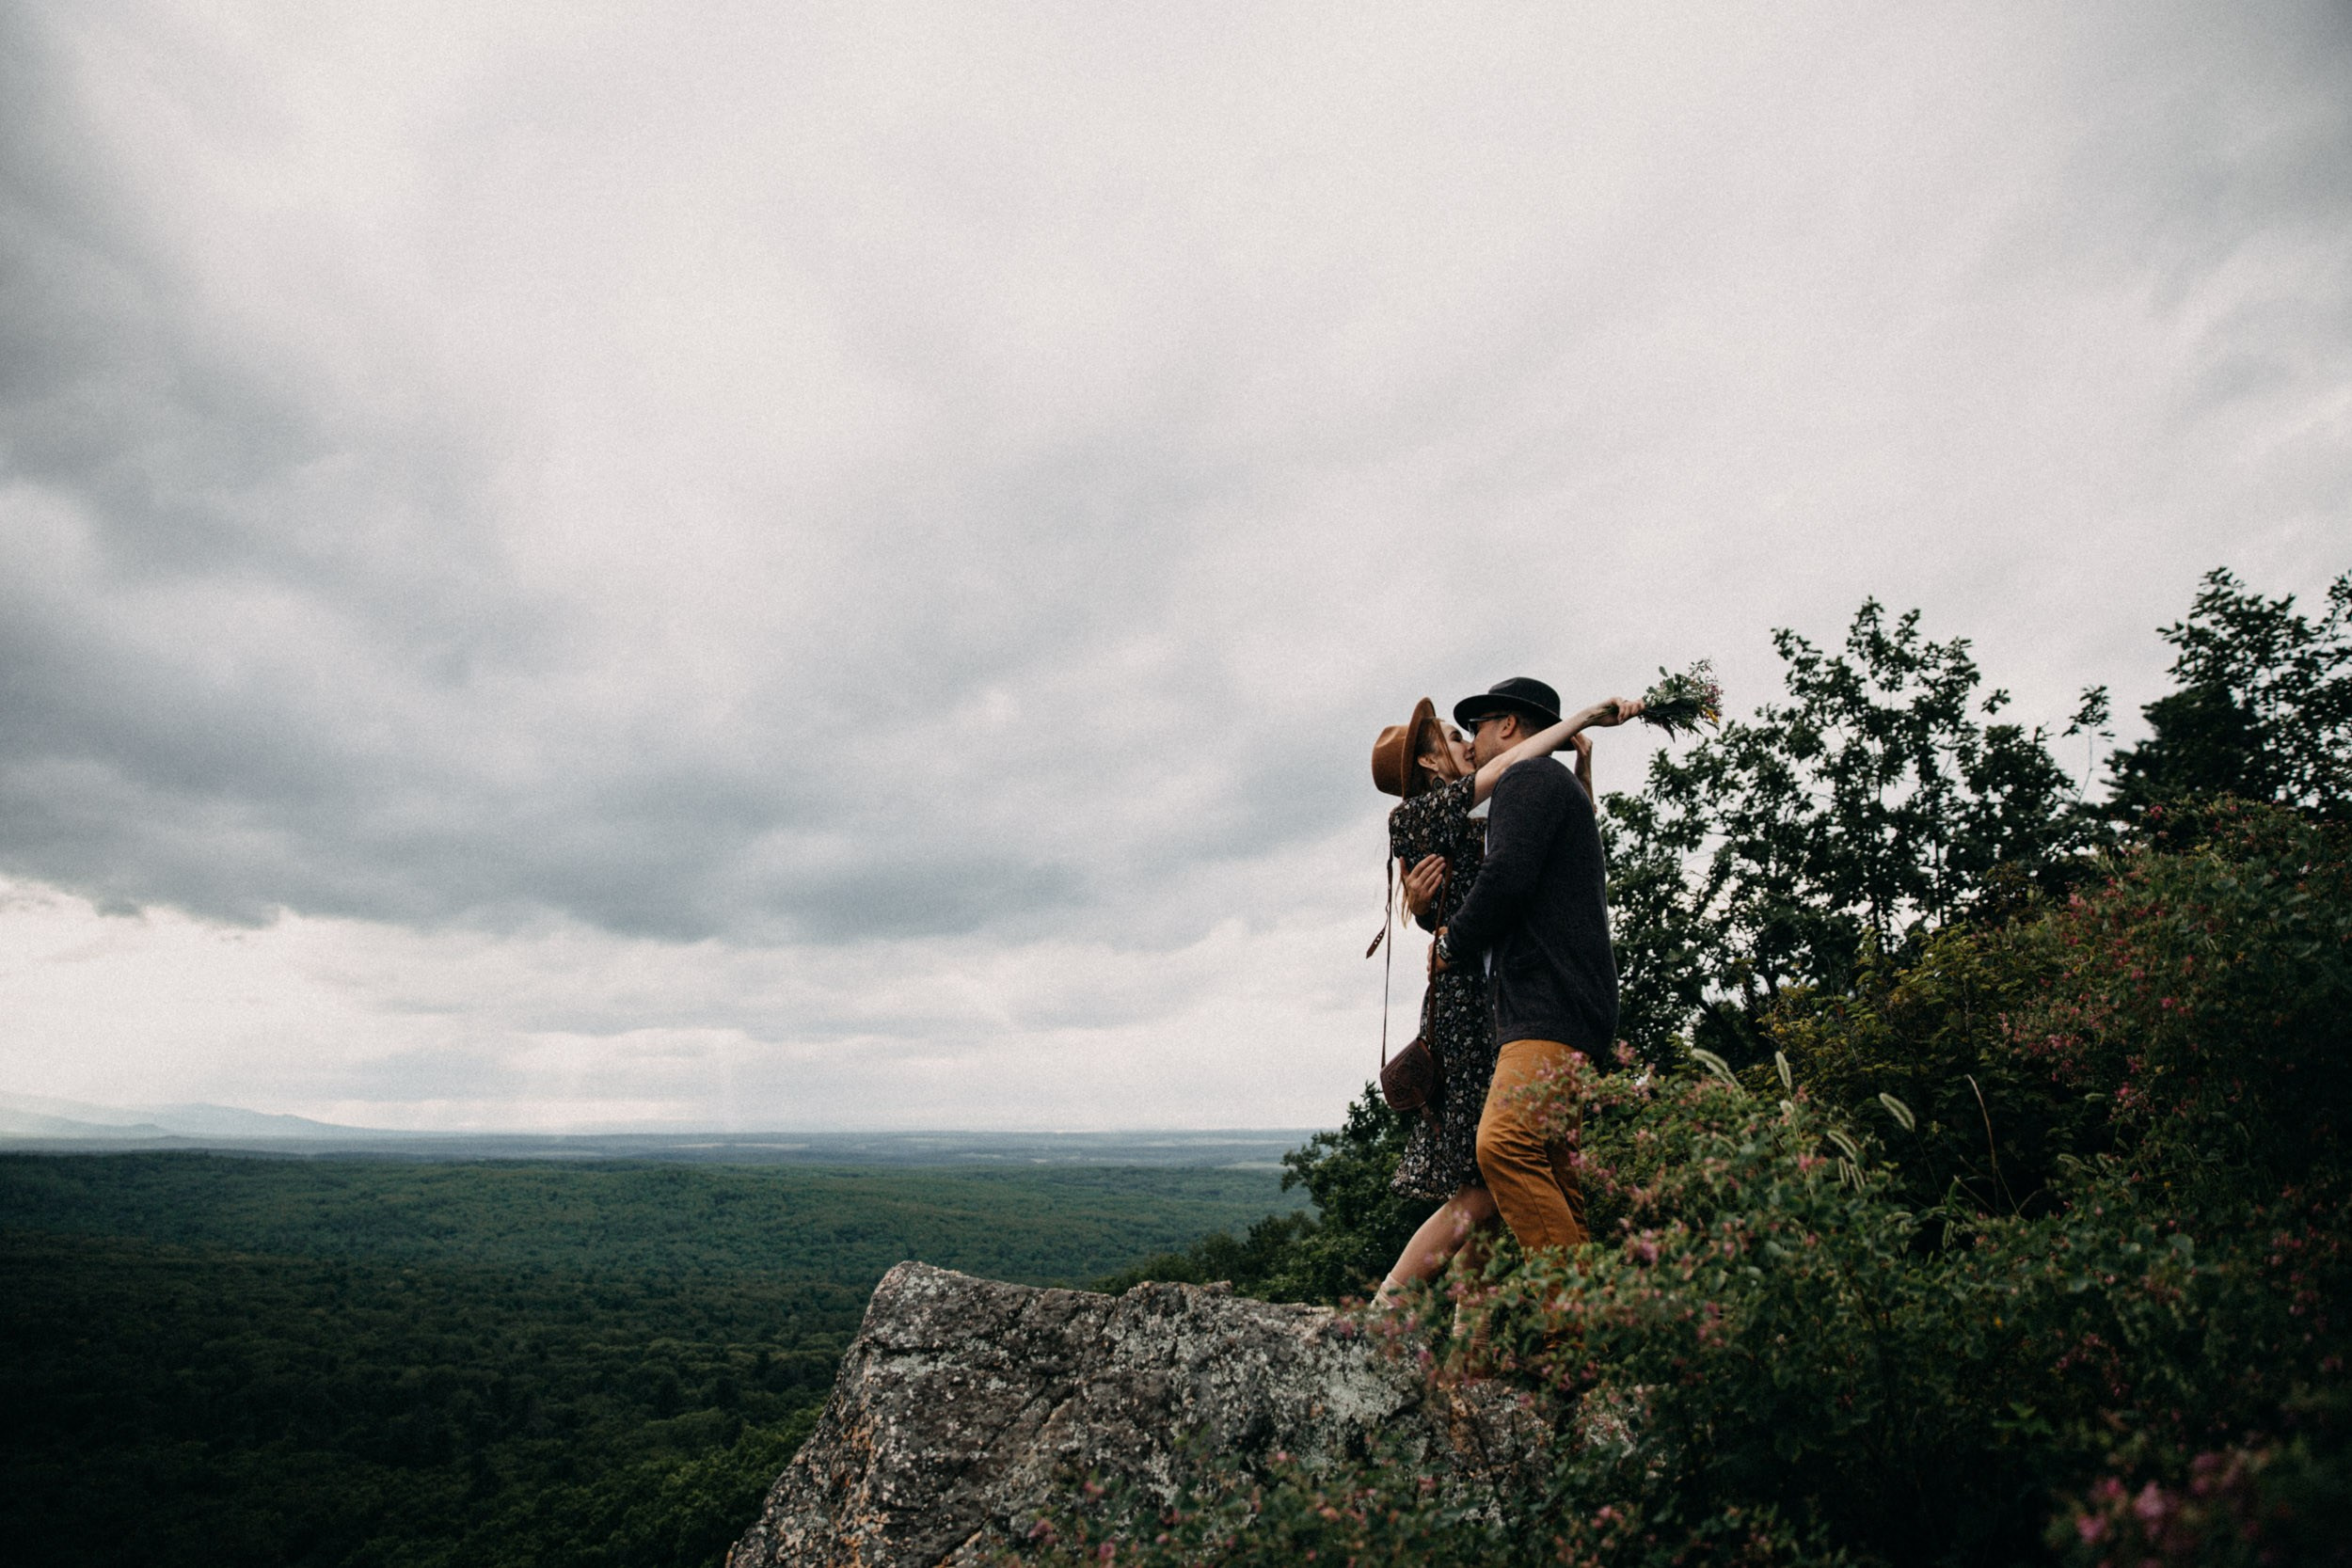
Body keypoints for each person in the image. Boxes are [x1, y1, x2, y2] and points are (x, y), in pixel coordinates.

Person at [1366, 683, 1638, 1306]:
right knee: (1486, 1179)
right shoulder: (1423, 815)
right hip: (1473, 1012)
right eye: (1452, 737)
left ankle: (1476, 1337)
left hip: (1504, 1004)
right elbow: (1513, 802)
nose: (1466, 742)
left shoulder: (1486, 812)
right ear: (1429, 762)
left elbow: (1557, 847)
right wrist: (1582, 720)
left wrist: (1581, 770)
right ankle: (1389, 1310)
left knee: (1499, 1180)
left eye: (1472, 730)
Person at [1432, 676, 1639, 1259]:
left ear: (1508, 726)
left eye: (1476, 727)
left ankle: (1564, 1309)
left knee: (1502, 1144)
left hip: (1548, 1005)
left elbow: (1507, 877)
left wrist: (1451, 944)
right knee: (1554, 1169)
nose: (1472, 741)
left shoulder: (1528, 777)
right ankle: (1582, 1313)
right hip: (1574, 1006)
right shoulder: (1554, 784)